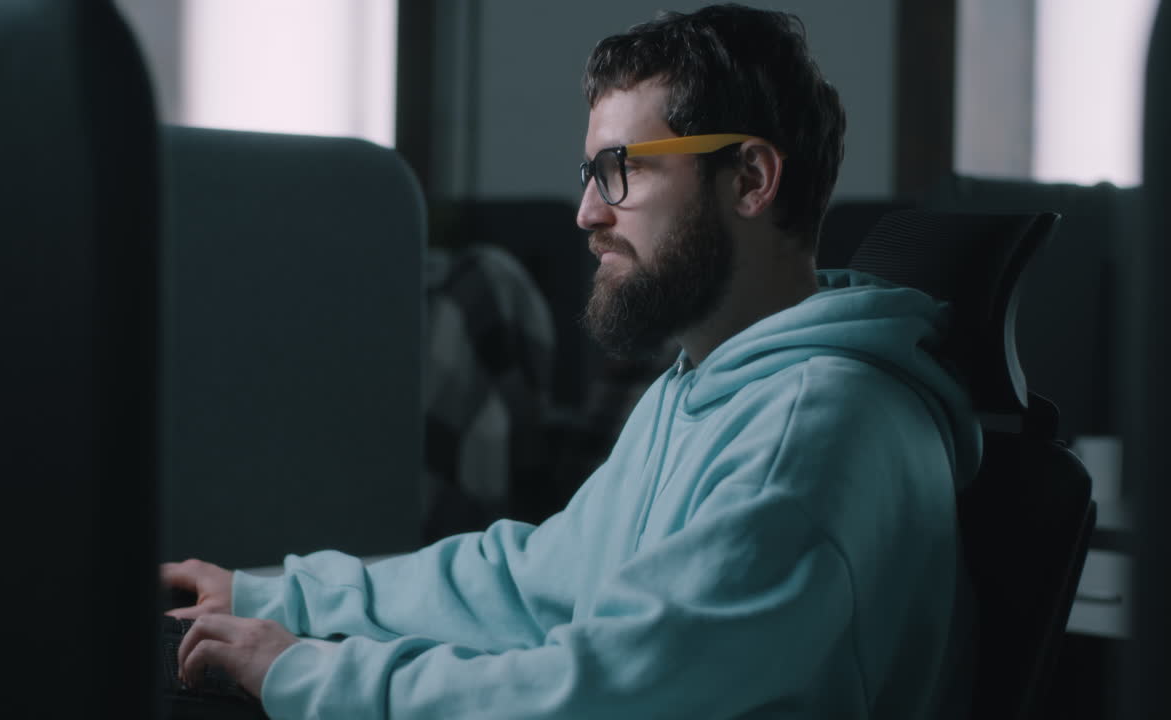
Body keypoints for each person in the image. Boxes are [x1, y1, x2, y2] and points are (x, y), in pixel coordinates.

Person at [164, 4, 981, 718]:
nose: (588, 212)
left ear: (752, 178)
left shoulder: (807, 435)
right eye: (591, 173)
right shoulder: (710, 383)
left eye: (621, 170)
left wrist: (305, 672)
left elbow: (603, 698)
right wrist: (280, 594)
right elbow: (532, 581)